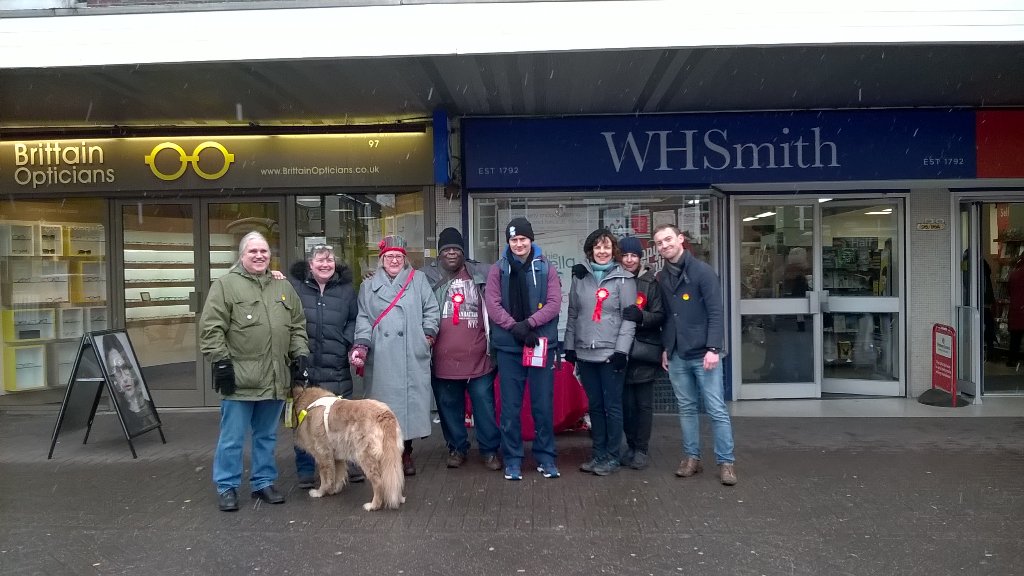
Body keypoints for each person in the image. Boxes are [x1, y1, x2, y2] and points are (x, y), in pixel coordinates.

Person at [200, 231, 309, 512]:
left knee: (266, 437)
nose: (259, 256)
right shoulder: (225, 286)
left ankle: (263, 482)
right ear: (242, 255)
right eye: (253, 252)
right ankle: (227, 486)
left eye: (264, 251)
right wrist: (221, 362)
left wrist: (300, 354)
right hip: (239, 379)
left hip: (275, 379)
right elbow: (211, 328)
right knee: (232, 439)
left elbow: (297, 324)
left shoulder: (282, 286)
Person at [653, 223, 737, 486]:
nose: (665, 245)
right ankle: (692, 458)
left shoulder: (703, 272)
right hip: (677, 354)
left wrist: (713, 348)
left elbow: (716, 312)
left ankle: (726, 462)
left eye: (668, 239)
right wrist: (667, 348)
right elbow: (667, 317)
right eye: (659, 243)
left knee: (716, 409)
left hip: (704, 354)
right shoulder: (661, 277)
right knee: (686, 408)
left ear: (680, 239)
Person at [349, 235, 439, 477]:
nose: (394, 260)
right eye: (389, 256)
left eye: (398, 256)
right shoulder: (368, 286)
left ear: (404, 259)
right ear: (381, 260)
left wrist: (427, 336)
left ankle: (405, 453)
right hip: (382, 356)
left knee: (407, 408)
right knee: (384, 408)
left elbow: (431, 309)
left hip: (411, 351)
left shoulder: (418, 280)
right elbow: (364, 318)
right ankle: (385, 454)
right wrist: (361, 344)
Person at [484, 217, 562, 481]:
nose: (518, 244)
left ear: (531, 240)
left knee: (542, 405)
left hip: (539, 343)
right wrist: (514, 327)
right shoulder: (498, 269)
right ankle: (513, 459)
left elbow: (554, 303)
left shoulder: (546, 268)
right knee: (510, 408)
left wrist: (529, 324)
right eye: (514, 239)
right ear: (508, 242)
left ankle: (546, 457)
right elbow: (493, 304)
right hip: (509, 348)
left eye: (523, 239)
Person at [421, 227, 502, 471]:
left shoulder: (482, 272)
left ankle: (489, 451)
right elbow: (398, 281)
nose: (452, 253)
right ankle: (457, 447)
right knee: (448, 408)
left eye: (456, 248)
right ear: (439, 253)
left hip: (480, 358)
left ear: (463, 252)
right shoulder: (425, 276)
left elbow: (511, 269)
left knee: (484, 407)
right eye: (446, 249)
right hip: (442, 359)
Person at [286, 243, 364, 488]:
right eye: (319, 260)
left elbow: (354, 319)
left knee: (340, 418)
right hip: (304, 364)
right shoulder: (295, 287)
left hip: (335, 364)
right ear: (310, 264)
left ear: (335, 264)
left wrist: (346, 342)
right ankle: (307, 469)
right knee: (304, 420)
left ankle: (346, 465)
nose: (325, 264)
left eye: (329, 260)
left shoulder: (346, 290)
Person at [563, 229, 636, 476]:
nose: (602, 252)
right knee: (594, 406)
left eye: (606, 247)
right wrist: (569, 346)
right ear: (590, 251)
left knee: (612, 406)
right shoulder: (580, 277)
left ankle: (613, 456)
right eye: (597, 248)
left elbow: (629, 319)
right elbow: (573, 313)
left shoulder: (624, 279)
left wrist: (621, 351)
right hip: (585, 352)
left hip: (610, 354)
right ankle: (599, 454)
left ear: (613, 251)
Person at [616, 236, 664, 471]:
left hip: (644, 351)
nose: (629, 260)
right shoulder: (614, 279)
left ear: (640, 257)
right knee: (625, 404)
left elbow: (659, 315)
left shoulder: (650, 282)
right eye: (624, 255)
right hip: (620, 352)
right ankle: (631, 445)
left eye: (633, 255)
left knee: (643, 404)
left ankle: (642, 449)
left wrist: (641, 317)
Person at [102, 333, 158, 433]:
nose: (124, 378)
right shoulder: (125, 415)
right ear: (113, 380)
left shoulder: (148, 406)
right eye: (117, 372)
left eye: (125, 368)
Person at [1007, 255, 1024, 368]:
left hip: (1014, 309)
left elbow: (1009, 290)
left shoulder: (1013, 273)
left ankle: (1012, 360)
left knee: (1015, 337)